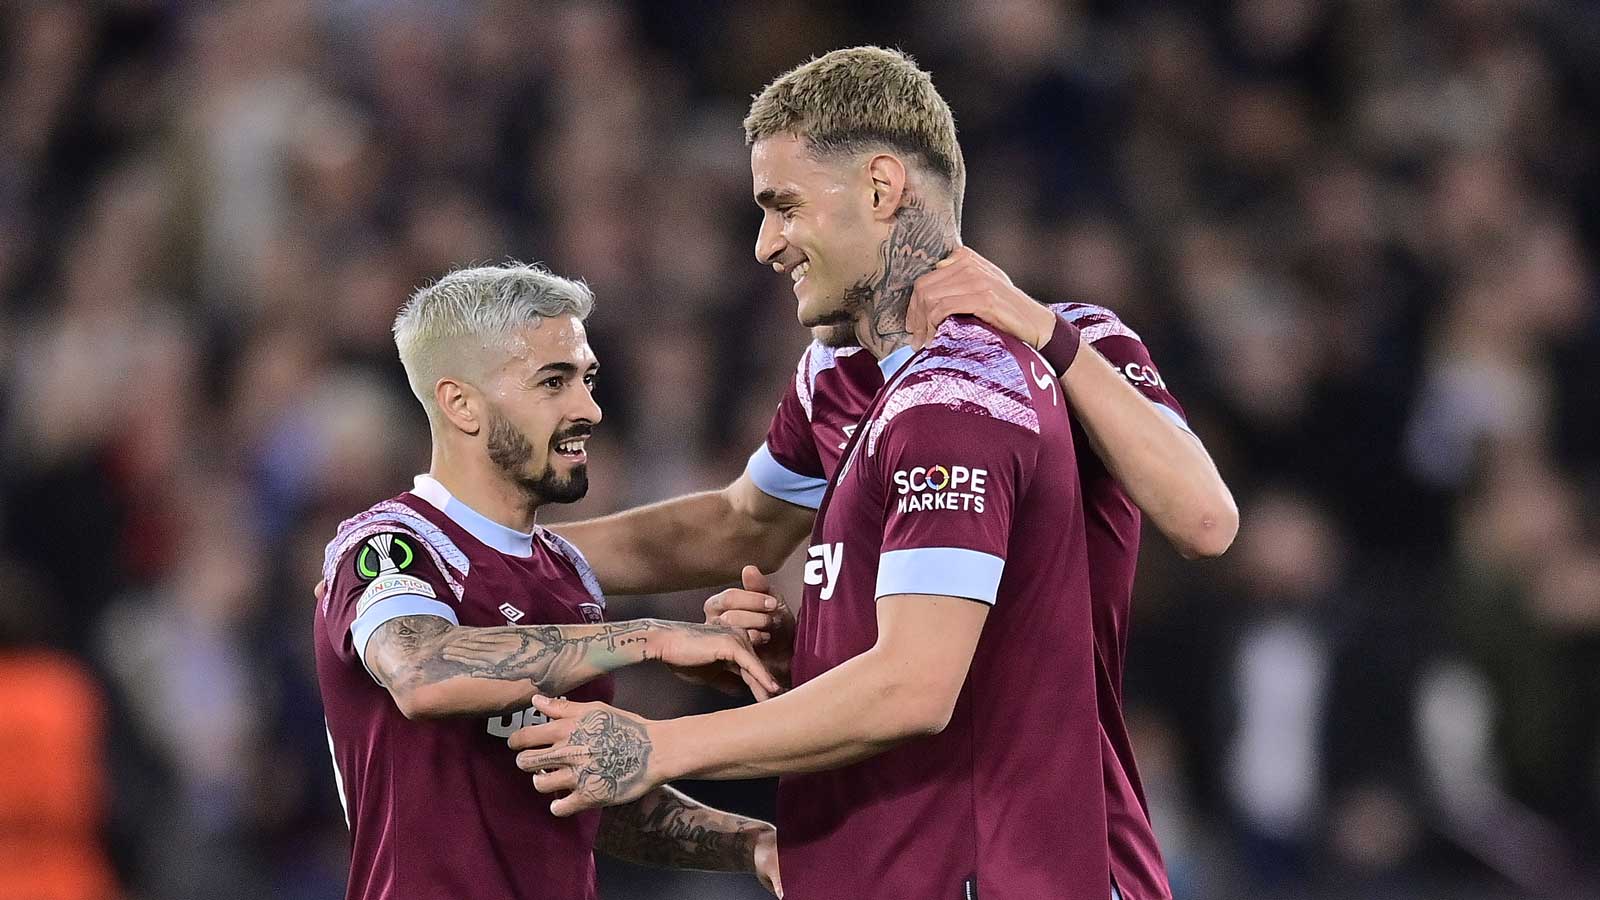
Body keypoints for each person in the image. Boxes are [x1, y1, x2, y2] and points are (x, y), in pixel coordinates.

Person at [513, 47, 1236, 900]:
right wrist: (498, 546)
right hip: (882, 855)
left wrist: (656, 746)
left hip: (1013, 861)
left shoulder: (1026, 367)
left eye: (784, 206)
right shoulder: (838, 374)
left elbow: (1205, 521)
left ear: (883, 188)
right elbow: (738, 526)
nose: (764, 244)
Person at [314, 263, 783, 900]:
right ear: (461, 404)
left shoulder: (565, 576)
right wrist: (652, 636)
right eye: (553, 382)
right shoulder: (391, 545)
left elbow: (581, 787)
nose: (588, 408)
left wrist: (754, 845)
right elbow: (420, 671)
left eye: (587, 379)